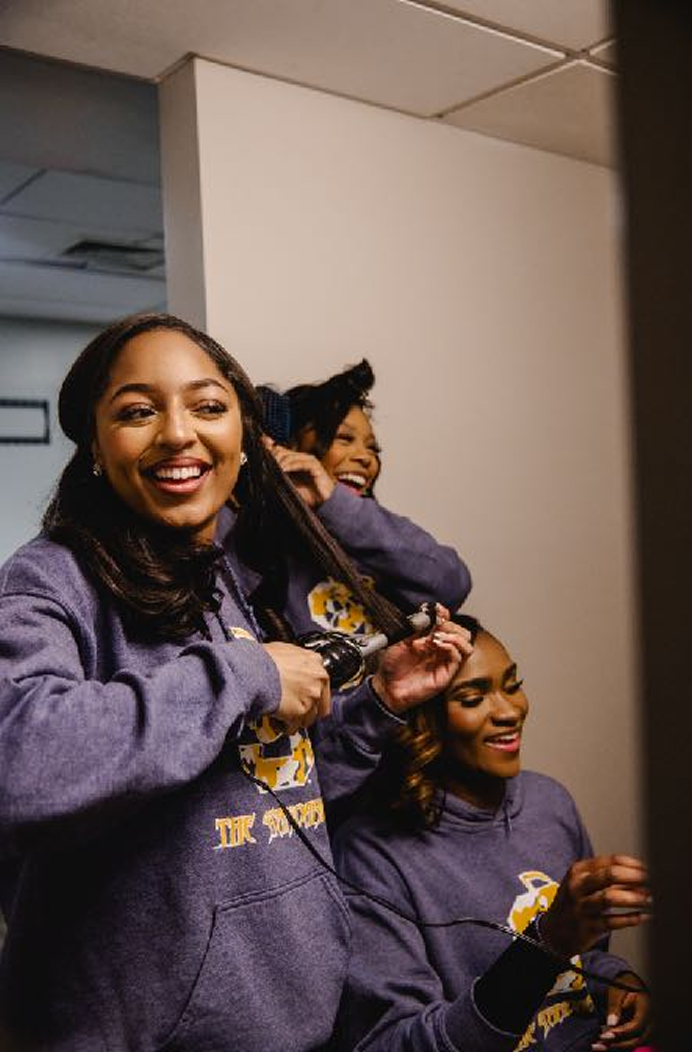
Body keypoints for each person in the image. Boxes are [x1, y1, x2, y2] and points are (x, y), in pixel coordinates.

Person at [0, 313, 472, 1052]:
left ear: (244, 436)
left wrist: (378, 705)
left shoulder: (223, 575)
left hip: (291, 1026)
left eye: (208, 406)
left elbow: (260, 793)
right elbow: (21, 766)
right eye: (136, 411)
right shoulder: (52, 579)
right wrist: (245, 673)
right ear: (95, 443)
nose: (178, 433)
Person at [333, 615, 653, 1051]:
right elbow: (397, 1042)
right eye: (472, 698)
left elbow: (582, 957)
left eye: (513, 684)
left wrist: (613, 980)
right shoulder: (372, 858)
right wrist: (546, 941)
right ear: (422, 721)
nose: (510, 711)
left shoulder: (549, 803)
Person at [255, 360, 471, 639]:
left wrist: (335, 504)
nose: (365, 457)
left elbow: (452, 584)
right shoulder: (263, 543)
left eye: (373, 448)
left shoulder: (375, 537)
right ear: (288, 449)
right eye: (344, 439)